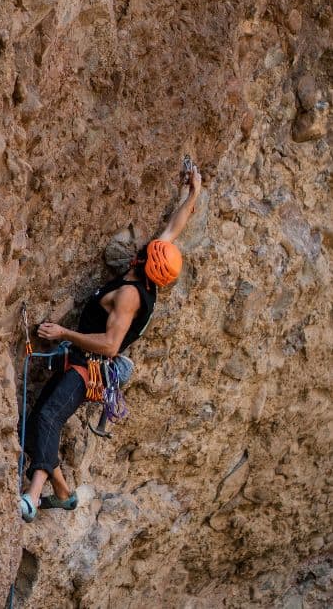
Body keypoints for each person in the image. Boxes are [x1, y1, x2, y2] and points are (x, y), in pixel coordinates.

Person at [20, 167, 202, 522]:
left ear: (146, 262)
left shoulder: (131, 297)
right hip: (79, 362)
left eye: (147, 251)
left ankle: (32, 497)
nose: (142, 248)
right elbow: (173, 229)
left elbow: (110, 345)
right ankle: (63, 493)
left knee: (46, 418)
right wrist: (192, 194)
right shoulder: (151, 273)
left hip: (87, 368)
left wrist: (63, 333)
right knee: (34, 426)